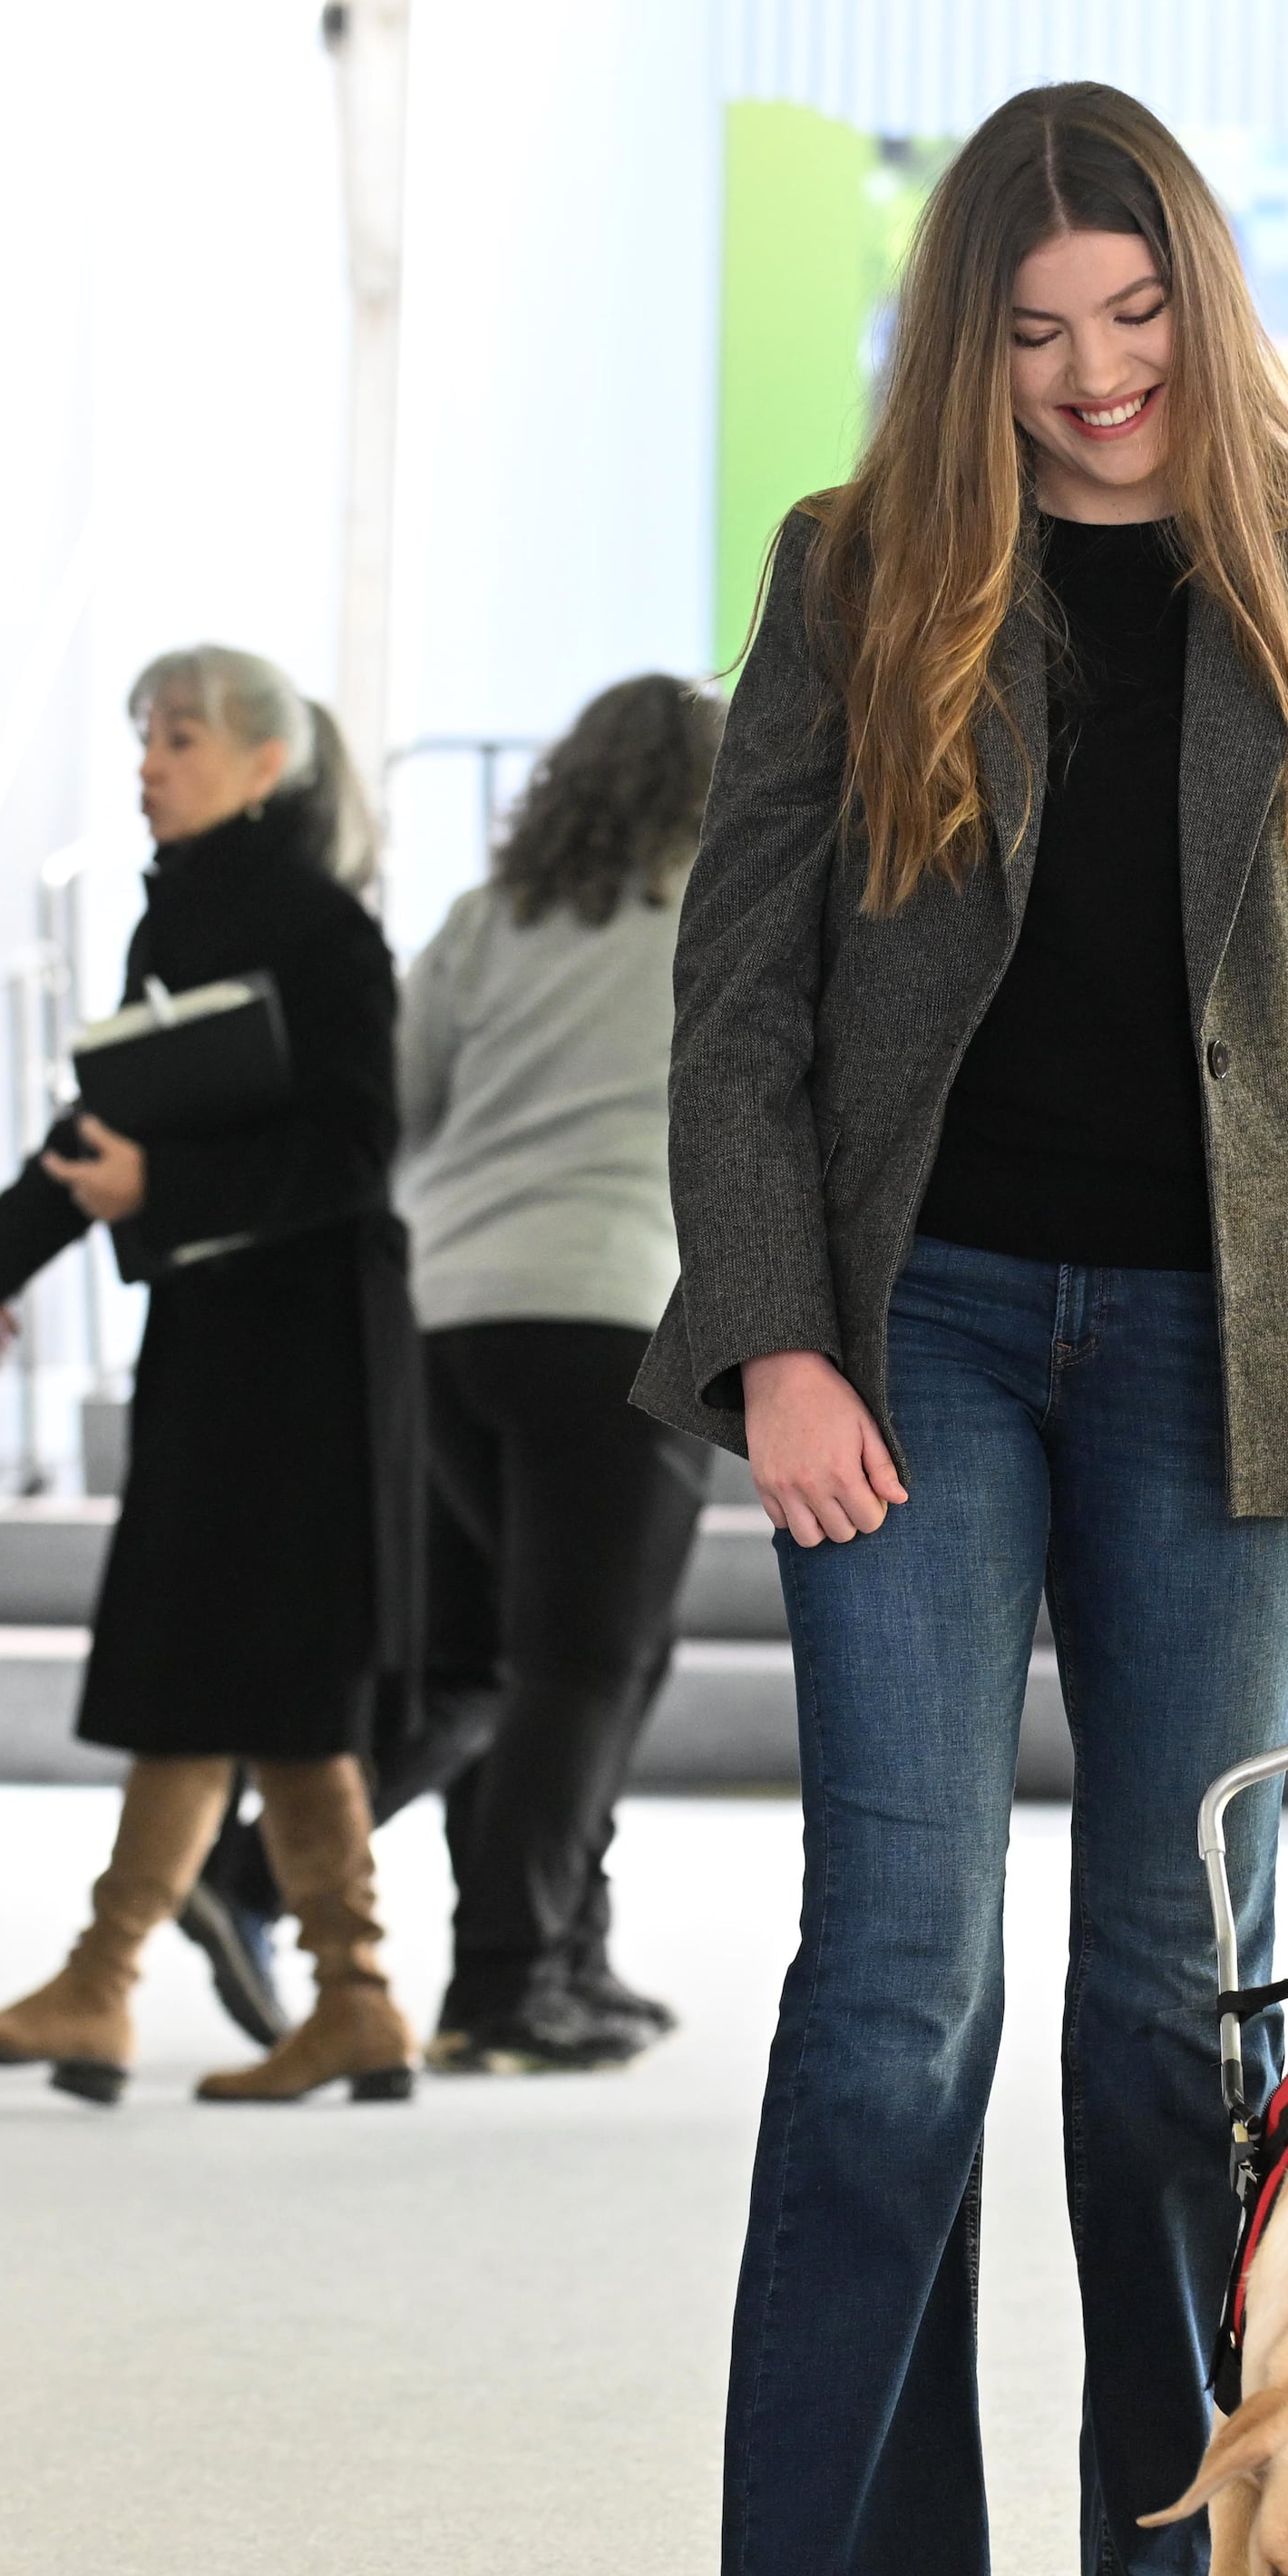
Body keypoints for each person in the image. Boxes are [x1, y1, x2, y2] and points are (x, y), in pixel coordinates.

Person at [631, 82, 1288, 2576]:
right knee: (898, 1973)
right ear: (959, 343)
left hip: (1229, 1342)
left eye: (1131, 323)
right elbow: (741, 986)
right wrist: (776, 1331)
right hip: (925, 1330)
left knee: (1168, 1990)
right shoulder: (854, 572)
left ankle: (1179, 2573)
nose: (1091, 381)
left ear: (1197, 312)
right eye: (1029, 334)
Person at [0, 649, 424, 2106]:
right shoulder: (192, 917)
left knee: (248, 1669)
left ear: (268, 764)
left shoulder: (321, 932)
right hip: (228, 1347)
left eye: (182, 738)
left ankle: (142, 1983)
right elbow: (108, 1125)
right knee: (237, 1674)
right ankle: (323, 1997)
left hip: (312, 1356)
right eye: (147, 737)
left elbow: (354, 1153)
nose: (151, 763)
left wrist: (168, 1180)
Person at [381, 673, 724, 2072]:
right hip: (620, 1310)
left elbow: (399, 1103)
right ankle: (509, 1981)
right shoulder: (725, 905)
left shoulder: (488, 918)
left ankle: (564, 1950)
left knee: (534, 1666)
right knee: (588, 1663)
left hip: (450, 1311)